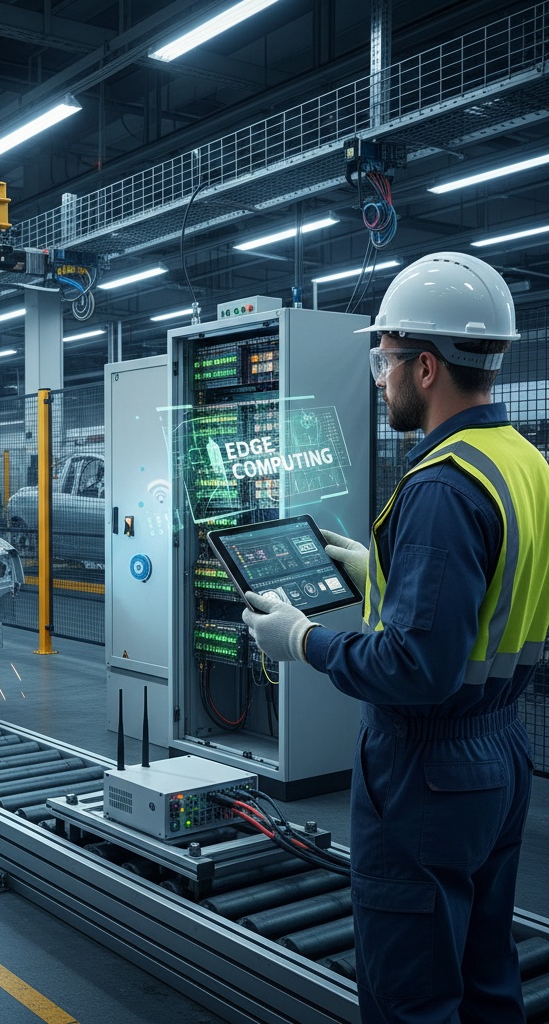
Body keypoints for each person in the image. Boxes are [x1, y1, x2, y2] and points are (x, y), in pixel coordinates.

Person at [242, 252, 549, 1024]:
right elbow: (489, 591)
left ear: (426, 366)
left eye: (385, 359)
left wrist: (302, 639)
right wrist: (374, 566)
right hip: (500, 752)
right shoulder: (523, 463)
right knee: (484, 974)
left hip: (427, 768)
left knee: (410, 992)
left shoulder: (443, 486)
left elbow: (417, 666)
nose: (379, 377)